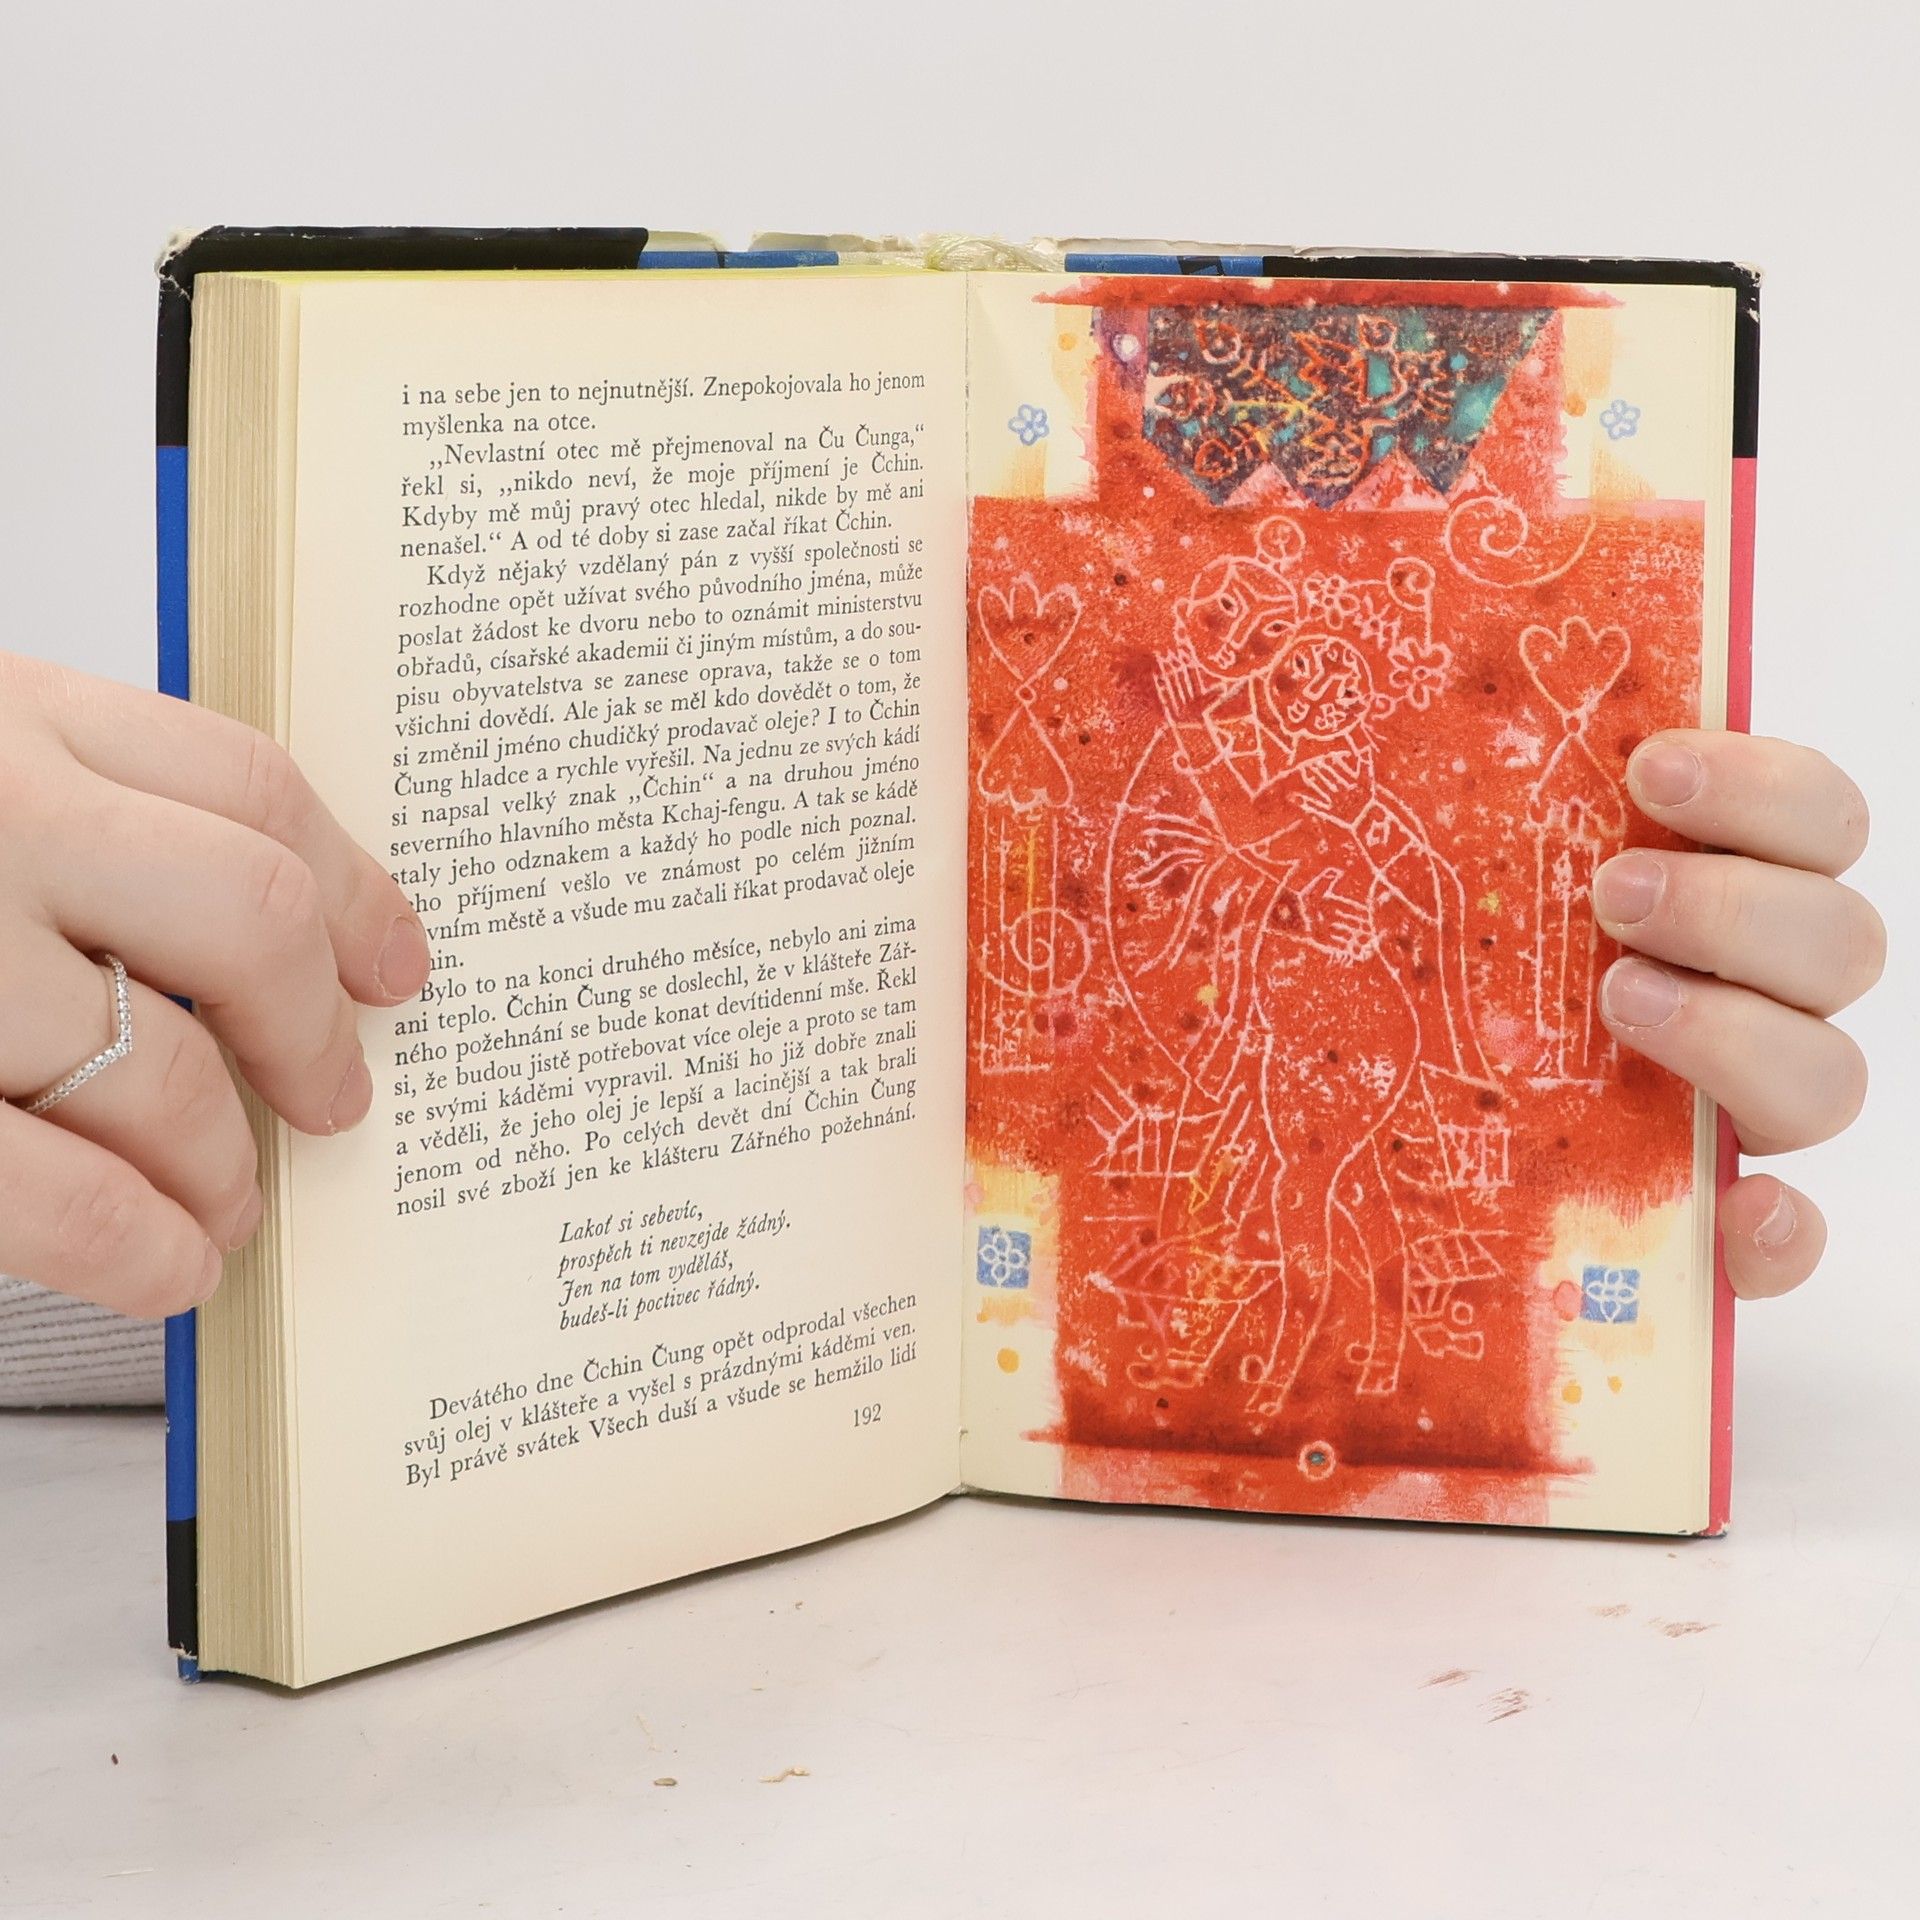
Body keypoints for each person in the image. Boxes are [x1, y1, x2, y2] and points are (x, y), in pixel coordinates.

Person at [0, 641, 1884, 1398]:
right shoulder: (1242, 813)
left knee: (1324, 1206)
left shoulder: (1350, 821)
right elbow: (1195, 900)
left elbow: (1389, 921)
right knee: (1272, 1197)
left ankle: (1336, 1348)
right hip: (1260, 1060)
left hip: (1333, 1067)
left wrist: (1590, 944)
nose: (1298, 742)